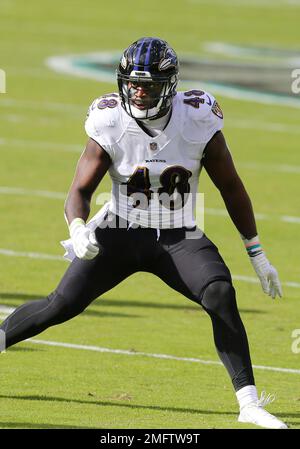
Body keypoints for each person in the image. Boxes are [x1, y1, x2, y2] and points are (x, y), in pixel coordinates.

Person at [0, 37, 287, 429]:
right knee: (60, 305)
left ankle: (249, 404)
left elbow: (231, 187)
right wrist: (79, 227)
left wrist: (257, 254)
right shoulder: (110, 118)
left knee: (219, 292)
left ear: (169, 86)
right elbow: (80, 190)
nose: (138, 91)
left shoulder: (197, 116)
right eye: (132, 83)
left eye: (148, 84)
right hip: (120, 229)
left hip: (178, 233)